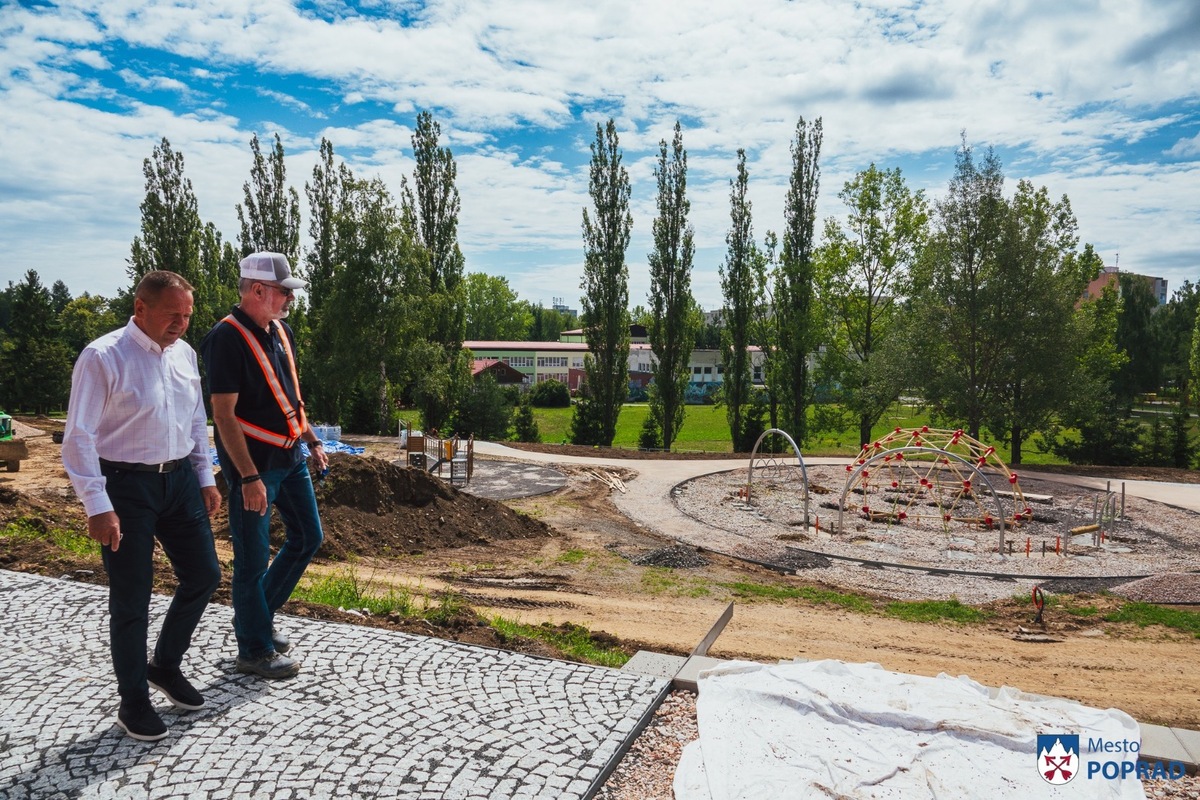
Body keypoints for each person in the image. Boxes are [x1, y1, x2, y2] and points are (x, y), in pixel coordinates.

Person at [62, 270, 222, 742]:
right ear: (141, 308)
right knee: (132, 597)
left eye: (188, 315)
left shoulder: (186, 355)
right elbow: (79, 437)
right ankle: (133, 701)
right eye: (173, 313)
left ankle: (164, 666)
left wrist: (204, 477)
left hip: (177, 483)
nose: (182, 323)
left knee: (205, 575)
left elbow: (196, 419)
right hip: (124, 487)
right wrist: (97, 504)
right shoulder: (103, 356)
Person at [200, 252, 327, 680]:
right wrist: (249, 476)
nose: (290, 299)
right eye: (283, 291)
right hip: (255, 467)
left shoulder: (281, 330)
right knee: (252, 560)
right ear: (257, 291)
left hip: (290, 458)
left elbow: (290, 394)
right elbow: (223, 415)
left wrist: (310, 439)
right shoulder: (225, 338)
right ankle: (253, 649)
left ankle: (254, 617)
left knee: (308, 536)